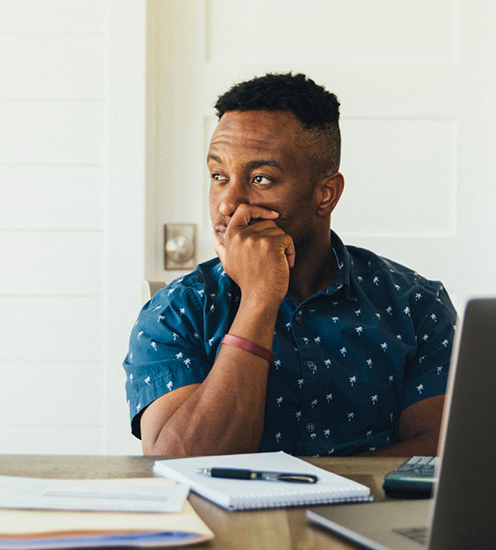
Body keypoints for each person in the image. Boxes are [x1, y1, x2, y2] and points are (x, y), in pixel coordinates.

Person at [124, 72, 456, 457]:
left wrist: (309, 488)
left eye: (261, 178)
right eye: (218, 176)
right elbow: (178, 465)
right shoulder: (177, 310)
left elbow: (439, 457)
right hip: (218, 520)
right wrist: (258, 301)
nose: (227, 204)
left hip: (366, 517)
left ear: (325, 194)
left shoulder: (415, 305)